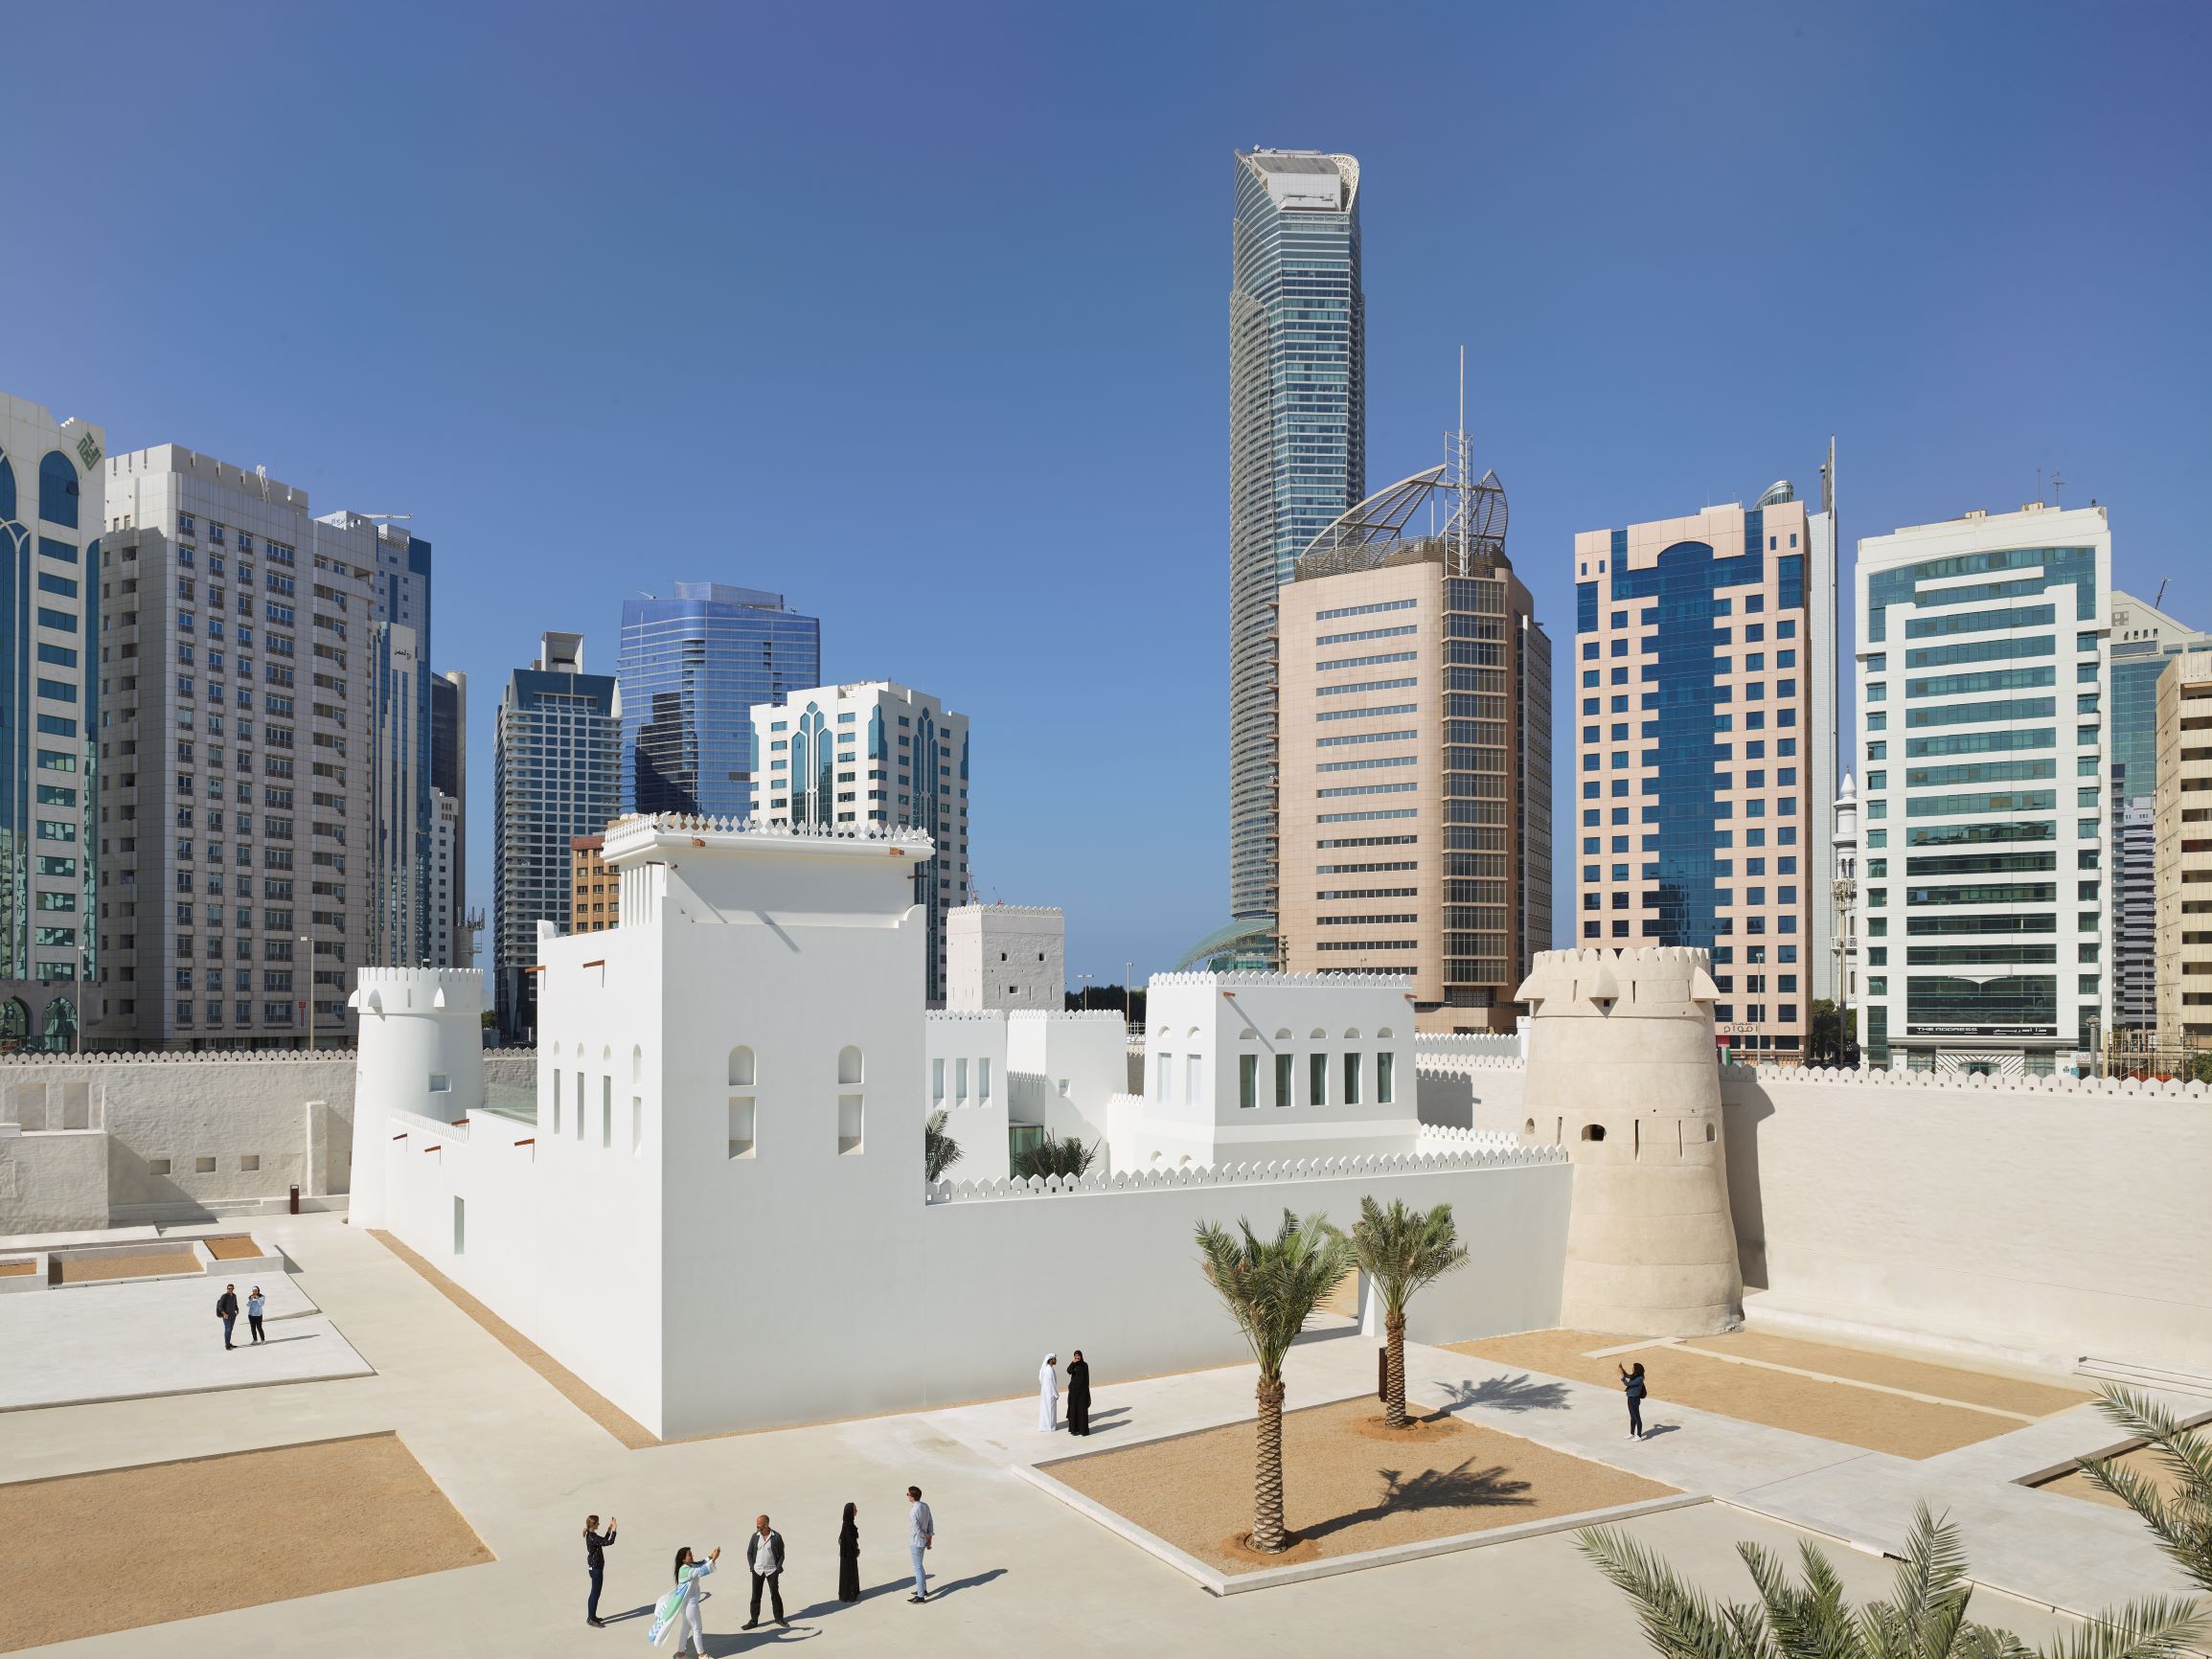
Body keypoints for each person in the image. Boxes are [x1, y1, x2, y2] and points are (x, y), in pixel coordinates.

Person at [649, 1543, 718, 1657]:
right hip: (690, 1605)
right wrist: (715, 1558)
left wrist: (711, 1556)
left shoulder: (689, 1566)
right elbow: (701, 1571)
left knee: (686, 1628)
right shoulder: (684, 1570)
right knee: (697, 1628)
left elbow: (700, 1563)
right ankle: (702, 1655)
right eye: (690, 1555)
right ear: (683, 1559)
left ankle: (681, 1654)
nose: (692, 1556)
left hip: (686, 1605)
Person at [742, 1513, 787, 1629]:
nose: (757, 1527)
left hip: (771, 1571)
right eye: (757, 1525)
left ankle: (779, 1618)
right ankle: (753, 1621)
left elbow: (782, 1554)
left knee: (775, 1594)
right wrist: (752, 1567)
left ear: (766, 1525)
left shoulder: (776, 1537)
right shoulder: (755, 1536)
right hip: (757, 1571)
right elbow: (749, 1553)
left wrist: (777, 1568)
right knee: (756, 1596)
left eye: (759, 1525)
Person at [582, 1512, 616, 1627]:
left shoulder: (592, 1535)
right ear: (593, 1524)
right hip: (596, 1569)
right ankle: (591, 1618)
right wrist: (615, 1531)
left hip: (596, 1567)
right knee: (595, 1594)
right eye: (598, 1522)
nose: (599, 1524)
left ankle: (592, 1616)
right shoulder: (592, 1537)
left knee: (594, 1593)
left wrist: (609, 1529)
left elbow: (604, 1540)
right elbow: (609, 1542)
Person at [905, 1485, 933, 1603]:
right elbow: (931, 1522)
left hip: (916, 1542)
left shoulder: (913, 1512)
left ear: (912, 1497)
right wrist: (929, 1536)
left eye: (908, 1494)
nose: (907, 1496)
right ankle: (923, 1589)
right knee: (920, 1566)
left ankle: (921, 1596)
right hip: (923, 1541)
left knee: (917, 1567)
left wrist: (925, 1537)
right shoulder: (925, 1506)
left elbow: (917, 1530)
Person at [836, 1502, 860, 1604]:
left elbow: (841, 1540)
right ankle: (850, 1595)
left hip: (847, 1554)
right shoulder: (849, 1525)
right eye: (855, 1510)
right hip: (849, 1555)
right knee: (849, 1574)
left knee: (849, 1574)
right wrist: (856, 1551)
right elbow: (850, 1542)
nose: (856, 1511)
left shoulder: (847, 1523)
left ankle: (850, 1593)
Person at [1619, 1360, 1649, 1441]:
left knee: (1637, 1417)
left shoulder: (1639, 1378)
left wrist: (1622, 1378)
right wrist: (1622, 1370)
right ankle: (1632, 1433)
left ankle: (1639, 1436)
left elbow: (1628, 1384)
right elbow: (1628, 1375)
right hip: (1630, 1397)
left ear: (1637, 1369)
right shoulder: (1635, 1375)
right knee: (1632, 1416)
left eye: (1633, 1367)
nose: (1632, 1368)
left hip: (1635, 1399)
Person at [1066, 1350, 1092, 1436]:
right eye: (1076, 1356)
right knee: (1074, 1410)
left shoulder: (1085, 1365)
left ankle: (1083, 1431)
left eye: (1079, 1356)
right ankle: (1074, 1430)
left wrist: (1087, 1391)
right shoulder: (1074, 1365)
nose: (1077, 1357)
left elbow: (1087, 1378)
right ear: (1074, 1357)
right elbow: (1069, 1371)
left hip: (1082, 1392)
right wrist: (1073, 1363)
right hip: (1074, 1392)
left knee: (1082, 1411)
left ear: (1081, 1356)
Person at [1037, 1352, 1059, 1432]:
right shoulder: (1049, 1370)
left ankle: (1046, 1426)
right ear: (1050, 1360)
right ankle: (1050, 1427)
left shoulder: (1047, 1368)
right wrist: (1056, 1394)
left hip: (1046, 1393)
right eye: (1054, 1359)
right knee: (1050, 1410)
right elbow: (1052, 1384)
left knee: (1046, 1410)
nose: (1055, 1360)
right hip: (1051, 1394)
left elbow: (1041, 1379)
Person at [216, 1284, 239, 1350]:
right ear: (227, 1289)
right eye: (229, 1288)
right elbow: (219, 1306)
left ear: (233, 1289)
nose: (230, 1289)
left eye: (231, 1288)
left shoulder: (234, 1296)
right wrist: (224, 1314)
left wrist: (237, 1310)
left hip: (233, 1315)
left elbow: (235, 1304)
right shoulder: (224, 1296)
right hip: (227, 1316)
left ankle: (229, 1343)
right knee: (228, 1329)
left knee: (230, 1329)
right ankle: (227, 1345)